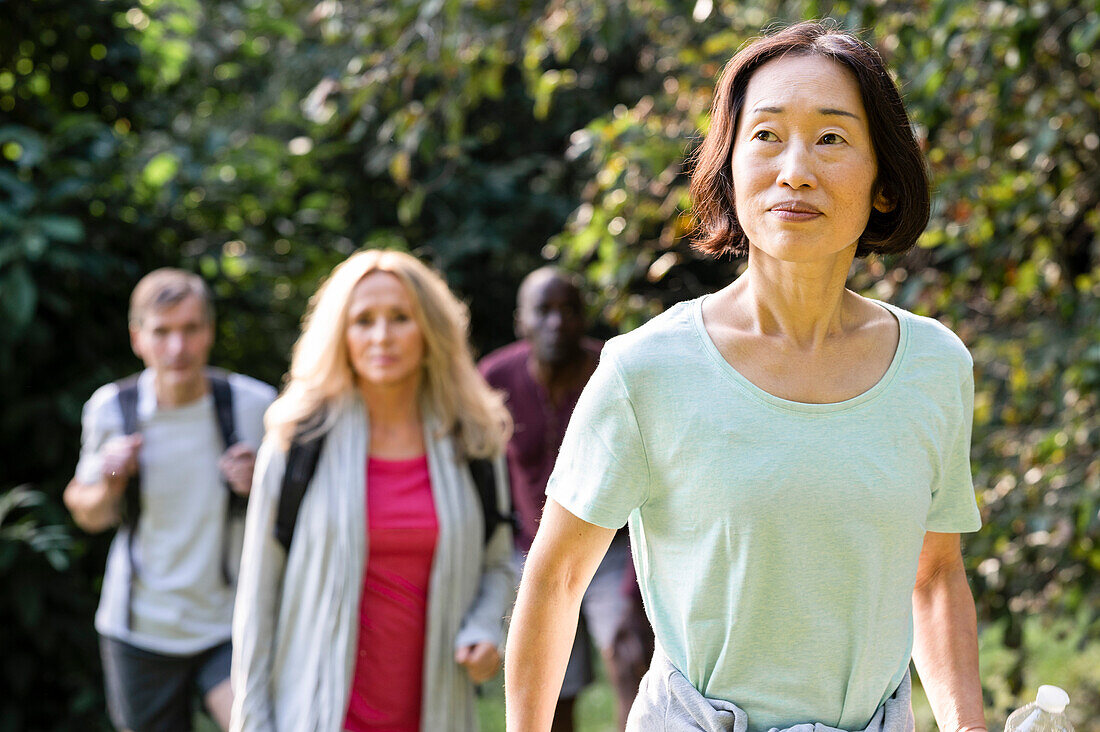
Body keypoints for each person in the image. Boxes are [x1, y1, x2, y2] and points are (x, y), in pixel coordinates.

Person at [506, 20, 987, 732]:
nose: (795, 168)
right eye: (765, 136)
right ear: (728, 169)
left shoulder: (934, 366)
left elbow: (936, 574)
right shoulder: (646, 370)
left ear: (883, 182)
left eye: (831, 138)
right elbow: (557, 580)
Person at [231, 249, 515, 732]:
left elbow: (499, 565)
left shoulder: (473, 441)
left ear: (430, 329)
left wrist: (487, 628)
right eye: (363, 320)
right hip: (316, 715)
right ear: (340, 335)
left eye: (400, 318)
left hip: (436, 714)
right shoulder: (298, 443)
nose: (381, 336)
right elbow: (258, 600)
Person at [64, 268, 277, 732]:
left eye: (190, 329)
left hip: (231, 622)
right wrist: (112, 481)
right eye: (162, 332)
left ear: (210, 333)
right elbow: (87, 513)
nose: (177, 348)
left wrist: (260, 484)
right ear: (137, 338)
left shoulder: (253, 404)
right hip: (140, 628)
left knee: (255, 726)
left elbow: (298, 515)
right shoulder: (112, 409)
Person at [479, 267, 653, 730]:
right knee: (550, 684)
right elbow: (469, 465)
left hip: (612, 546)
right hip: (531, 549)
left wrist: (635, 588)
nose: (557, 322)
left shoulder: (613, 371)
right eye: (544, 311)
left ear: (583, 318)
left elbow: (652, 473)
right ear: (522, 322)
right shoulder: (495, 377)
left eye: (569, 310)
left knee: (629, 653)